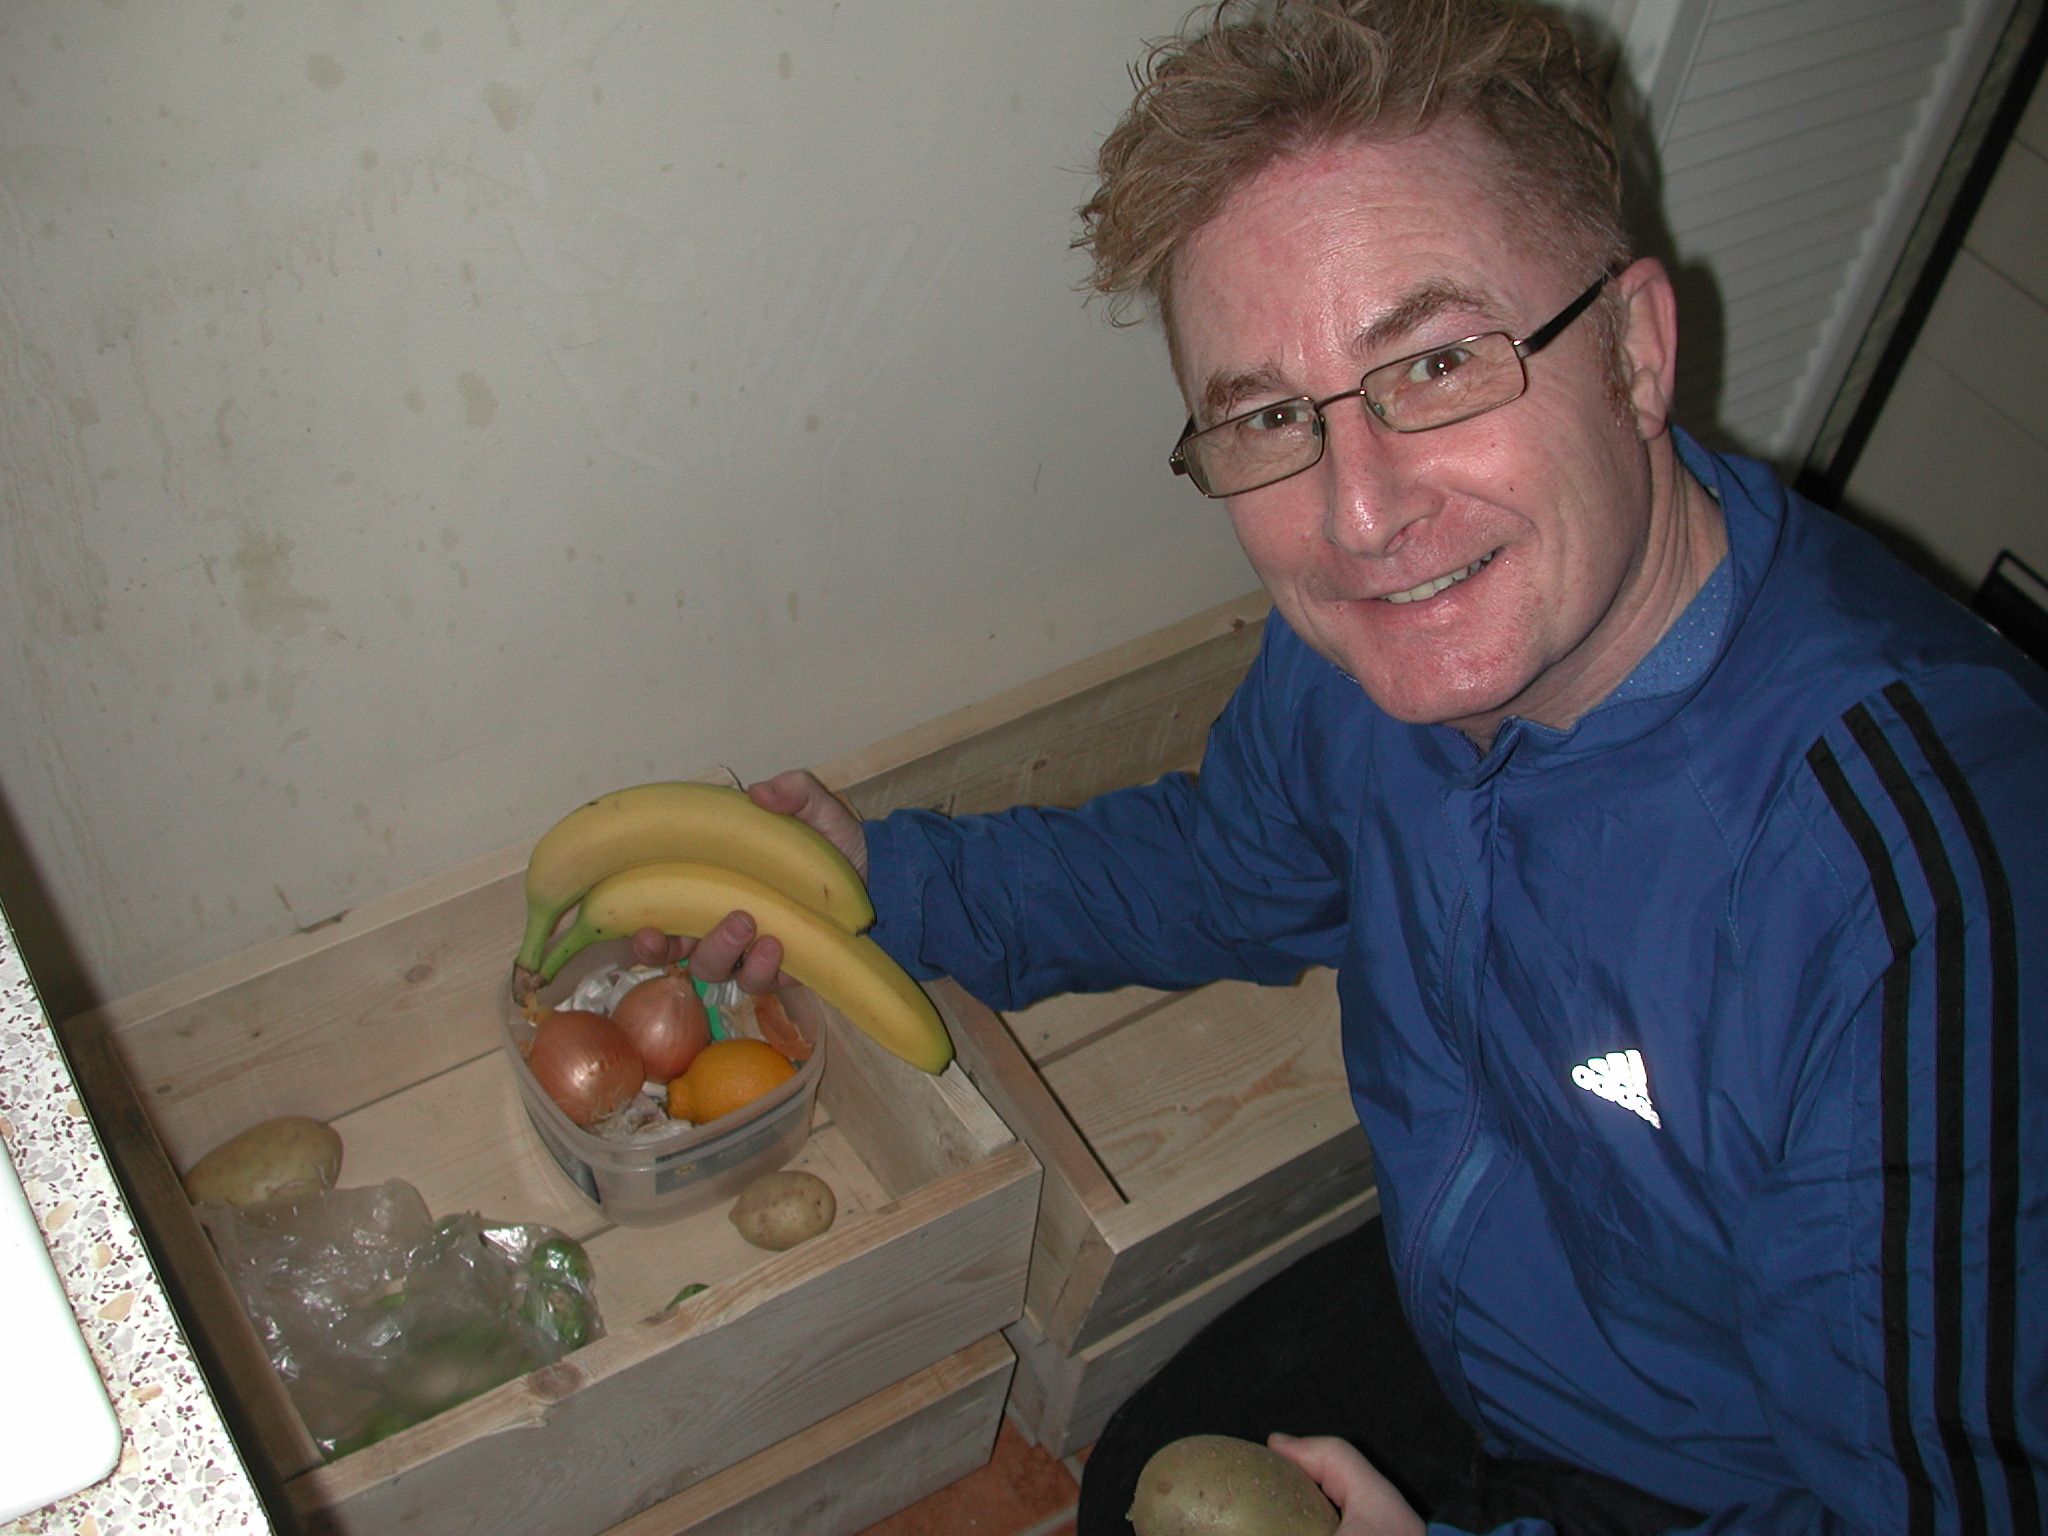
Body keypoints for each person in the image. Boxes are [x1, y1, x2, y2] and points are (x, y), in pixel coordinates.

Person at [645, 1, 2048, 1529]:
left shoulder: (1928, 906)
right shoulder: (1377, 656)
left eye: (1437, 361)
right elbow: (1221, 865)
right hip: (1497, 1309)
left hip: (1714, 1480)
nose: (1360, 512)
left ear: (1637, 353)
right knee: (1133, 1471)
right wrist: (889, 882)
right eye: (1264, 417)